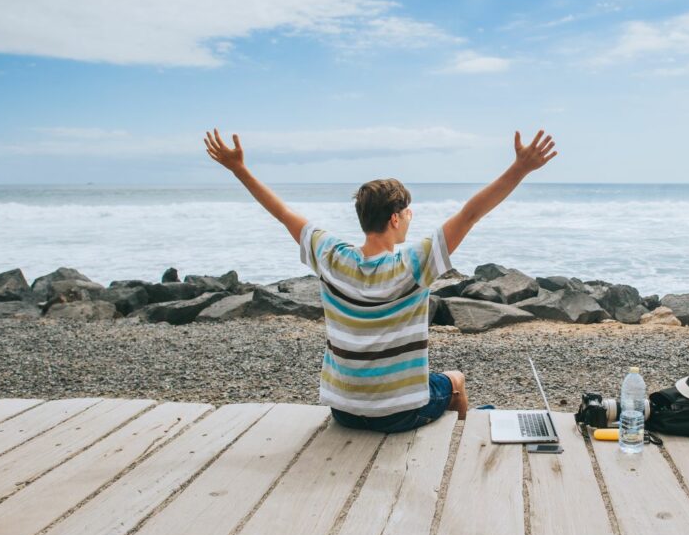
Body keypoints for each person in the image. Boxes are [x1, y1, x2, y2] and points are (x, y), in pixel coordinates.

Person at [203, 128, 557, 432]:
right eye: (407, 212)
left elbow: (282, 212)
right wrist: (520, 168)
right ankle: (458, 441)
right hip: (399, 414)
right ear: (394, 219)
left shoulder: (331, 257)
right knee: (455, 380)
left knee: (439, 386)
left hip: (344, 411)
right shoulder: (413, 264)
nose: (410, 216)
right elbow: (470, 214)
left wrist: (239, 169)